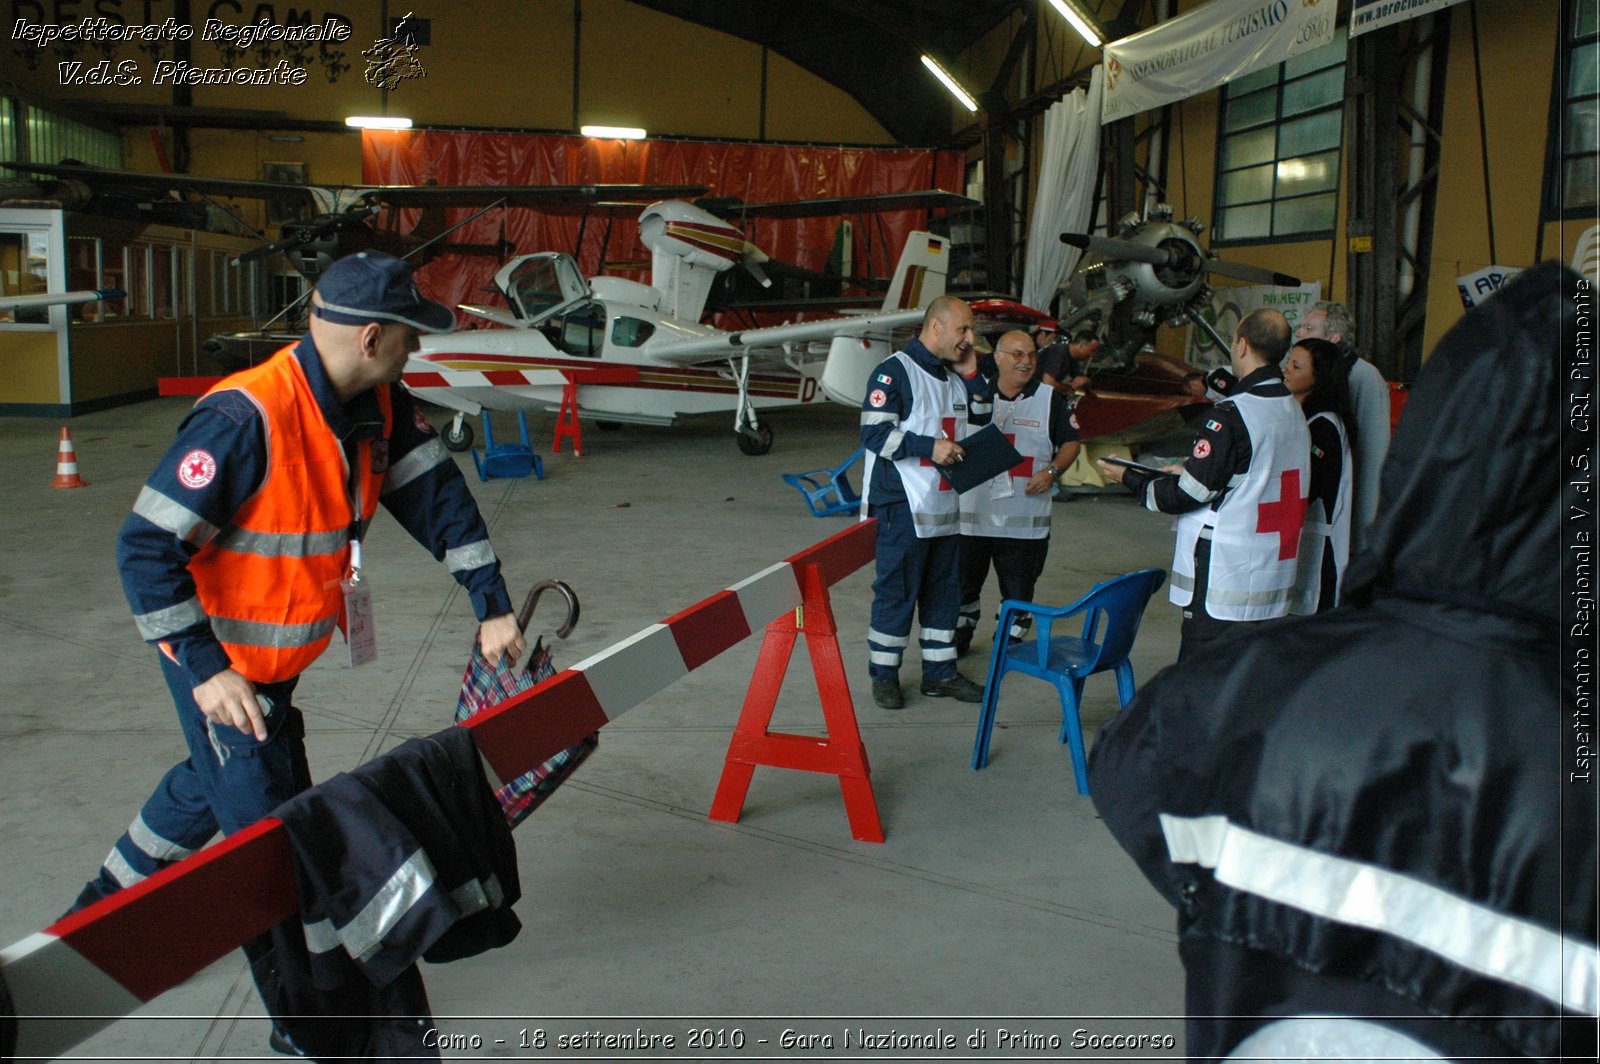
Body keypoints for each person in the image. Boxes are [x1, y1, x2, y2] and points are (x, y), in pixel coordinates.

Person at [1087, 262, 1593, 1063]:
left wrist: (1131, 485)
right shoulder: (1295, 418)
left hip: (1230, 590)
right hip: (1273, 582)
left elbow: (1129, 772)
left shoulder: (1243, 700)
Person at [73, 251, 525, 1041]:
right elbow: (145, 549)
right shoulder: (245, 418)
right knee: (278, 850)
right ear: (374, 336)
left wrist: (491, 604)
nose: (417, 351)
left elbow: (437, 499)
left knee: (204, 786)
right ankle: (312, 1018)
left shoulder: (378, 407)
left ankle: (94, 911)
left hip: (274, 671)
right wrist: (209, 672)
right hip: (218, 665)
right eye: (411, 337)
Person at [1096, 309, 1309, 662]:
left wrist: (1130, 477)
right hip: (1273, 576)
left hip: (1225, 579)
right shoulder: (1291, 410)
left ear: (1241, 345)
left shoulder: (1231, 414)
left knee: (1200, 678)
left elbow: (1186, 495)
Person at [859, 294, 987, 709]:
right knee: (897, 591)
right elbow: (875, 435)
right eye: (963, 329)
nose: (970, 338)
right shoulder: (894, 372)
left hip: (944, 506)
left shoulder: (952, 378)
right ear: (936, 327)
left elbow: (982, 421)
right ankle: (884, 675)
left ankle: (940, 672)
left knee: (943, 593)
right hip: (902, 505)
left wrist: (972, 374)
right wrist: (929, 446)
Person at [954, 330, 1081, 654]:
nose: (1026, 362)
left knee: (1019, 590)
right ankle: (961, 633)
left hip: (1024, 521)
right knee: (962, 588)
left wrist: (1053, 471)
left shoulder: (1050, 399)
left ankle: (1008, 644)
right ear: (997, 357)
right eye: (1017, 354)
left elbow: (1071, 442)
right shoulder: (970, 395)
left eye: (1031, 356)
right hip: (971, 520)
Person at [1297, 301, 1389, 549]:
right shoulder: (1315, 377)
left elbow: (1372, 453)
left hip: (1350, 493)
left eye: (1308, 327)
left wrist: (1364, 516)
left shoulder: (1365, 377)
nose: (1300, 333)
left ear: (1334, 337)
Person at [1281, 337, 1354, 613]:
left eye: (1296, 366)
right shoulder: (1296, 416)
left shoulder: (1323, 427)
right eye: (1287, 362)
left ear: (1317, 377)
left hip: (1319, 548)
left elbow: (1305, 489)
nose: (1286, 370)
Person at [1034, 321, 1098, 398]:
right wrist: (1067, 389)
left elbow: (1082, 379)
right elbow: (1048, 383)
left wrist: (1085, 380)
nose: (1091, 355)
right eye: (1091, 351)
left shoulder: (1073, 359)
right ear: (1081, 346)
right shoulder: (1058, 351)